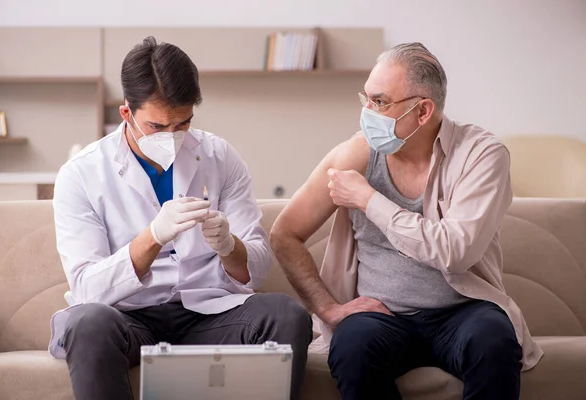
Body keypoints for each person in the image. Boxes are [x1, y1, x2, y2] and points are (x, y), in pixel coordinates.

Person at [270, 42, 543, 400]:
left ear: (423, 110)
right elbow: (284, 234)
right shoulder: (356, 154)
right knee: (352, 348)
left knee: (494, 341)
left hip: (463, 311)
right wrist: (327, 307)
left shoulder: (481, 155)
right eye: (365, 99)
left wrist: (368, 200)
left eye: (380, 102)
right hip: (382, 317)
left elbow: (455, 252)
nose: (368, 112)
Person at [49, 36, 312, 400]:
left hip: (208, 314)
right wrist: (152, 237)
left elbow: (256, 270)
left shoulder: (221, 157)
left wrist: (227, 245)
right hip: (130, 318)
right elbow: (87, 289)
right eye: (157, 127)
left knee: (285, 315)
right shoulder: (81, 174)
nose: (172, 137)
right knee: (87, 323)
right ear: (127, 113)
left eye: (183, 123)